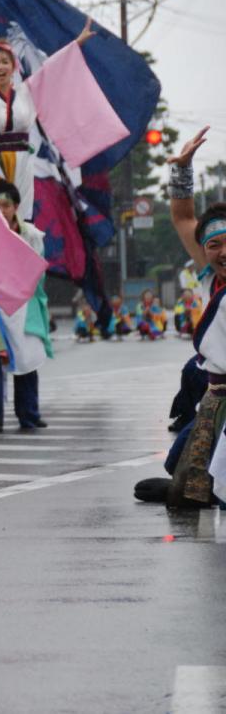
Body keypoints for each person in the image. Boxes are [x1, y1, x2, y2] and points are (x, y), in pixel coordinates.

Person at [134, 126, 224, 508]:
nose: (222, 252)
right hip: (218, 397)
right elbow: (183, 216)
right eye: (214, 245)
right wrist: (183, 170)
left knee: (204, 489)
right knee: (177, 464)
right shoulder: (211, 278)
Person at [0, 17, 96, 218]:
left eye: (5, 62)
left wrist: (78, 42)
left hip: (24, 160)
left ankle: (24, 246)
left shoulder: (26, 91)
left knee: (22, 217)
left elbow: (52, 68)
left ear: (14, 67)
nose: (0, 67)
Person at [0, 179, 52, 430]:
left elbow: (38, 270)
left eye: (6, 204)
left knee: (28, 359)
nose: (2, 210)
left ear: (16, 207)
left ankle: (29, 414)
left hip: (25, 304)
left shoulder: (32, 234)